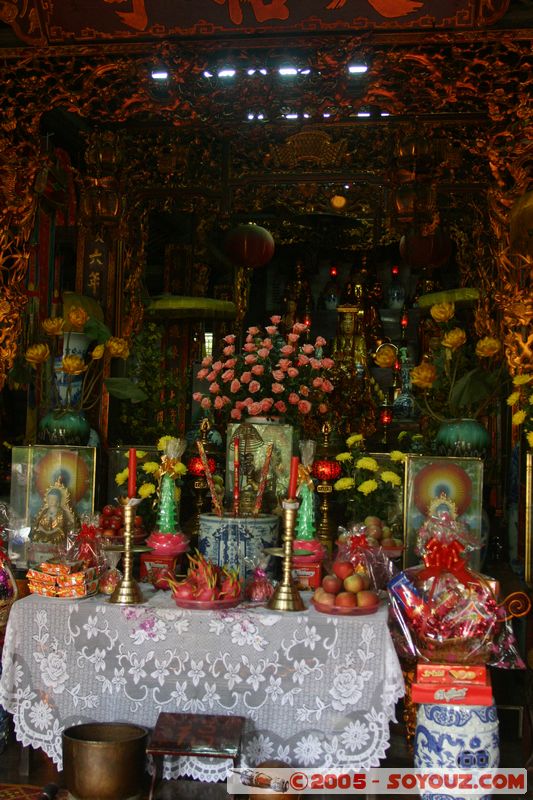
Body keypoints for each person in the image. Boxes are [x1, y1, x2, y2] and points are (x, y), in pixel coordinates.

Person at [31, 479, 78, 546]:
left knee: (57, 538)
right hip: (44, 531)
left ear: (58, 501)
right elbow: (40, 523)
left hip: (55, 532)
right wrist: (43, 529)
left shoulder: (60, 512)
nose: (51, 501)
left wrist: (50, 532)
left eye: (54, 499)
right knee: (36, 536)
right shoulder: (45, 511)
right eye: (50, 499)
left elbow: (60, 527)